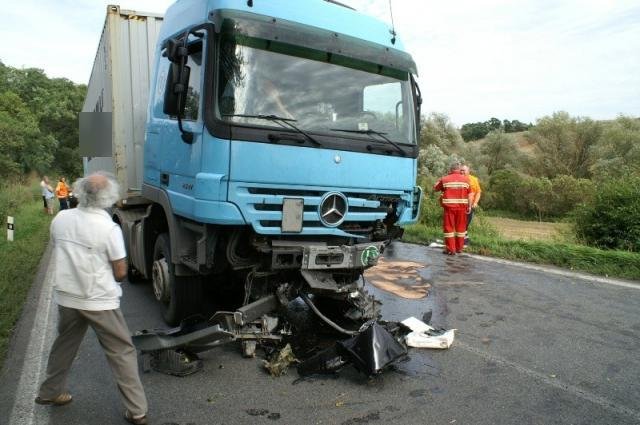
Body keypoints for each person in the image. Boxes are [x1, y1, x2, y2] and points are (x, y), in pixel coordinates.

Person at [35, 172, 149, 425]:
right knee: (121, 352)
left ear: (78, 192)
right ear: (109, 197)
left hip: (67, 296)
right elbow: (120, 272)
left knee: (64, 345)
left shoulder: (61, 218)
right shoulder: (109, 228)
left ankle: (48, 392)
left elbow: (60, 248)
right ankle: (136, 411)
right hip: (99, 301)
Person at [433, 162, 472, 255]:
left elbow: (435, 188)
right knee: (461, 229)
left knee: (449, 228)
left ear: (450, 170)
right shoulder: (466, 180)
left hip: (449, 209)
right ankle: (459, 248)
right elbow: (470, 194)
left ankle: (451, 249)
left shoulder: (445, 179)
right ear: (459, 170)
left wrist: (440, 180)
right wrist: (469, 206)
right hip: (462, 208)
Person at [460, 165, 482, 246]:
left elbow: (478, 192)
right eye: (461, 170)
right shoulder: (458, 179)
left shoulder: (474, 179)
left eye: (464, 170)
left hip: (470, 205)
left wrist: (475, 202)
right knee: (461, 223)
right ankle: (464, 240)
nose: (462, 172)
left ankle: (464, 240)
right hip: (459, 204)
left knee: (466, 223)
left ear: (468, 171)